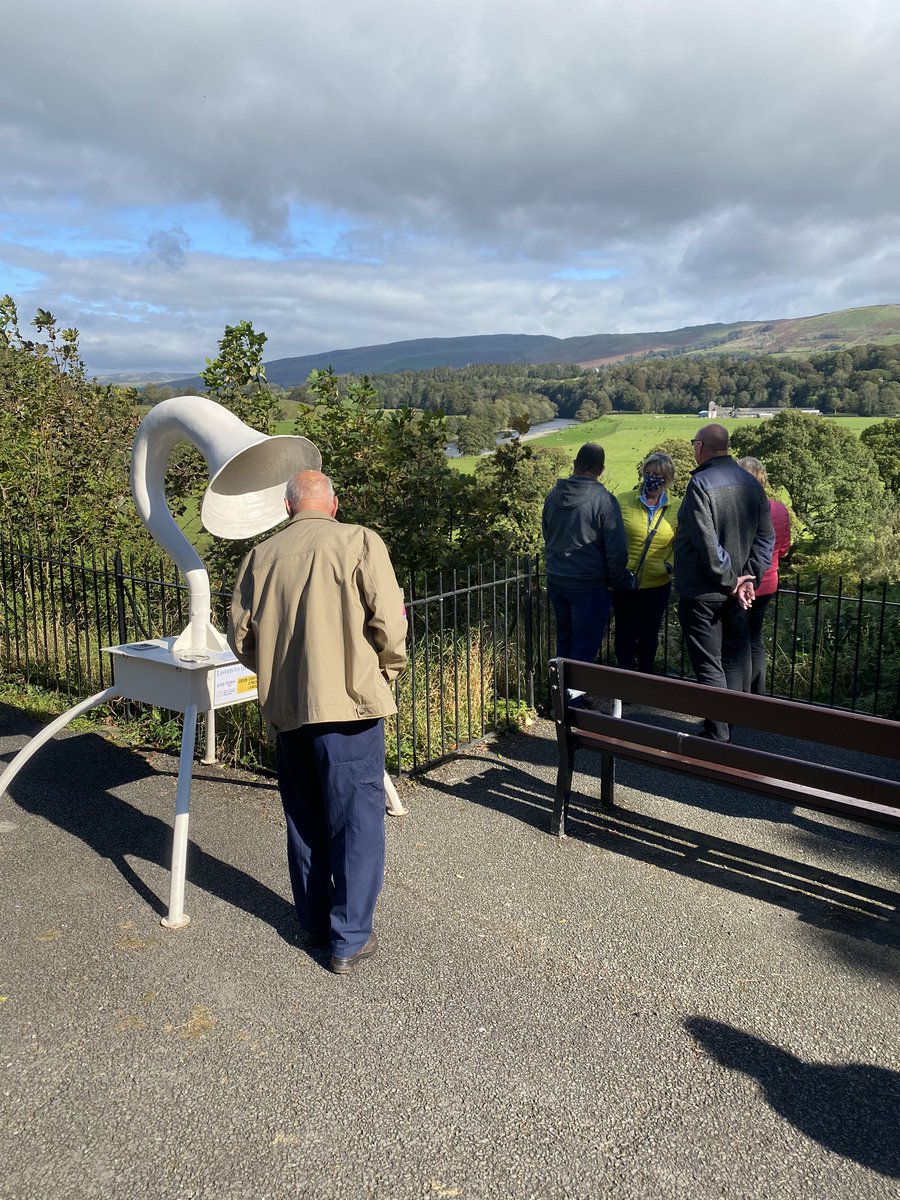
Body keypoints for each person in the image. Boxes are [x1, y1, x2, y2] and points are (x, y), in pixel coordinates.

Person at [228, 470, 407, 975]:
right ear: (331, 504)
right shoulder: (359, 542)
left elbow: (241, 639)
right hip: (349, 707)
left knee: (304, 818)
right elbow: (389, 625)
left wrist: (277, 676)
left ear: (288, 509)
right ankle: (349, 938)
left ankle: (312, 922)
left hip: (289, 710)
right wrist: (385, 674)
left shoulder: (260, 557)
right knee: (356, 822)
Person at [674, 424, 774, 741]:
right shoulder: (751, 483)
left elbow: (706, 543)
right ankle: (726, 725)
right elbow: (765, 537)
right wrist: (749, 577)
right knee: (732, 658)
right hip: (739, 591)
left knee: (708, 664)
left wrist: (732, 580)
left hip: (703, 591)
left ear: (700, 445)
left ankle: (718, 736)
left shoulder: (700, 484)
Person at [542, 442, 628, 675]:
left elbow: (547, 533)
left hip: (557, 579)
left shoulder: (552, 496)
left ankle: (561, 699)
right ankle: (573, 704)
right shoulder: (605, 501)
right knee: (584, 647)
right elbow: (617, 549)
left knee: (564, 641)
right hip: (590, 584)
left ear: (574, 464)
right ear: (601, 469)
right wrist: (614, 580)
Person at [612, 452, 678, 674]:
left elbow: (682, 544)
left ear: (667, 478)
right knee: (624, 634)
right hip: (625, 582)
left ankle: (645, 679)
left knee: (649, 634)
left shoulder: (678, 508)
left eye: (658, 475)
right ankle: (626, 681)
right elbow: (610, 537)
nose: (652, 478)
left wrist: (669, 565)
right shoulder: (623, 500)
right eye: (648, 473)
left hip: (658, 584)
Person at [737, 456, 792, 695]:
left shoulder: (739, 509)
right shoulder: (779, 509)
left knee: (738, 640)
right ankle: (757, 693)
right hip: (768, 581)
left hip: (741, 582)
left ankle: (740, 693)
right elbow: (784, 547)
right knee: (754, 637)